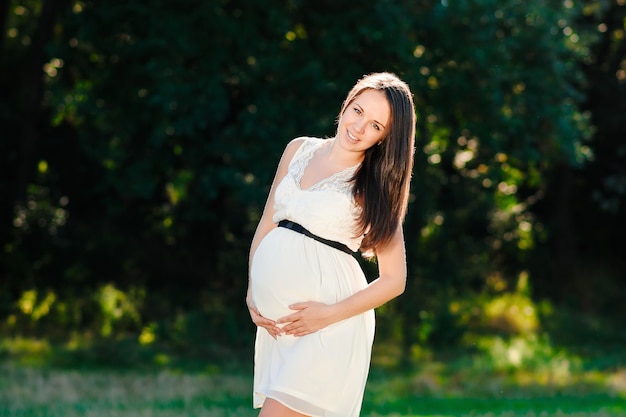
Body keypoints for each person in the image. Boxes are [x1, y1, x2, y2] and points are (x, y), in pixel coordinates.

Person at [246, 72, 416, 417]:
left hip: (329, 327)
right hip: (281, 329)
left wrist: (326, 316)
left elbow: (394, 280)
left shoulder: (374, 186)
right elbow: (268, 221)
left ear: (386, 138)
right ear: (346, 103)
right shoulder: (298, 149)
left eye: (375, 126)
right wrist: (252, 289)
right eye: (357, 111)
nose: (358, 127)